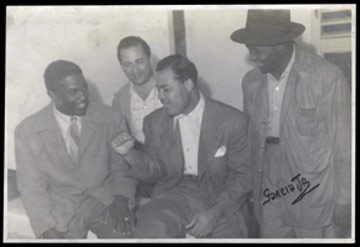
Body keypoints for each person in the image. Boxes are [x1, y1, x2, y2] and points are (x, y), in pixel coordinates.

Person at [230, 9, 351, 238]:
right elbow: (251, 140)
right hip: (268, 180)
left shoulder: (327, 77)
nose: (252, 57)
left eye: (257, 50)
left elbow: (344, 146)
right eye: (249, 50)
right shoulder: (251, 81)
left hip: (311, 184)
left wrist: (345, 200)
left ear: (281, 44)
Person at [111, 54, 252, 238]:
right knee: (144, 232)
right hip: (174, 194)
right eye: (158, 90)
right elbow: (155, 171)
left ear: (187, 85)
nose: (160, 97)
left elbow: (244, 176)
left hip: (221, 198)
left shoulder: (233, 121)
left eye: (166, 90)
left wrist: (214, 213)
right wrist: (129, 154)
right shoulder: (154, 122)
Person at [14, 60, 137, 239]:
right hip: (61, 207)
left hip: (105, 200)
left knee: (127, 235)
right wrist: (45, 228)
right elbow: (31, 187)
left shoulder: (111, 118)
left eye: (84, 88)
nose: (83, 96)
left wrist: (121, 198)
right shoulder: (27, 131)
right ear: (53, 95)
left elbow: (123, 170)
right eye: (73, 92)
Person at [112, 36, 162, 147]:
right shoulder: (119, 100)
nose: (135, 70)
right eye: (128, 65)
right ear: (121, 66)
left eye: (139, 62)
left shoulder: (169, 86)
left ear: (149, 59)